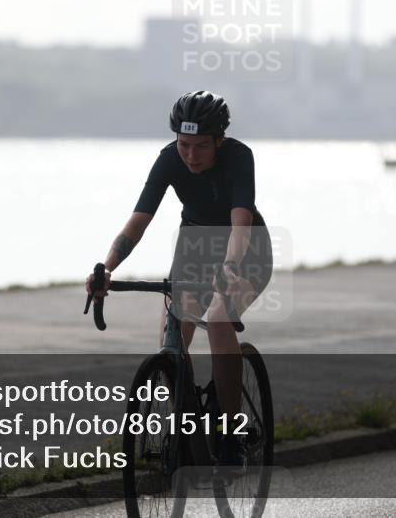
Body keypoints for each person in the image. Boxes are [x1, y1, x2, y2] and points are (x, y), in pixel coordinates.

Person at [86, 90, 273, 470]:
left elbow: (240, 223)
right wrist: (106, 268)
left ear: (219, 139)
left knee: (219, 319)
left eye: (201, 146)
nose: (191, 155)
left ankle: (231, 432)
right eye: (184, 145)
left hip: (246, 249)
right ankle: (185, 427)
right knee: (173, 331)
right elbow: (138, 222)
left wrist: (230, 267)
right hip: (195, 246)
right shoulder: (169, 159)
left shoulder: (239, 157)